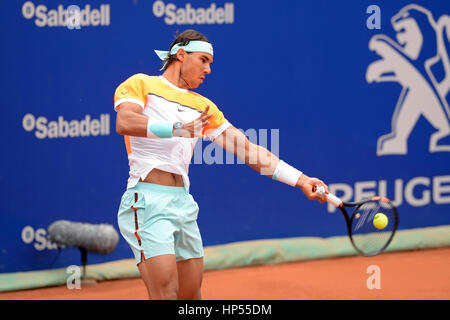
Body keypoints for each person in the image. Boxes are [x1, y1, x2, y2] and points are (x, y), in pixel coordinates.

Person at [114, 29, 329, 300]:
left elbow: (247, 150)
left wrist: (300, 179)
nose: (208, 69)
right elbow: (125, 122)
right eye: (203, 60)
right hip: (146, 202)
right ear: (181, 54)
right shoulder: (141, 84)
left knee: (191, 297)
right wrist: (179, 129)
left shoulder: (204, 107)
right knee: (166, 294)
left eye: (210, 63)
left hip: (182, 203)